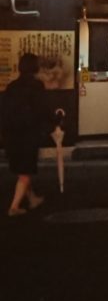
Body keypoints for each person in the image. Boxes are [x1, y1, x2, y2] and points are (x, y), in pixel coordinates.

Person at [3, 53, 51, 216]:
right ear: (35, 67)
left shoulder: (12, 86)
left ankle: (32, 198)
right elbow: (43, 109)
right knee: (25, 172)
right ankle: (14, 207)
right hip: (28, 135)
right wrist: (55, 122)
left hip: (11, 135)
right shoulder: (36, 86)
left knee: (22, 169)